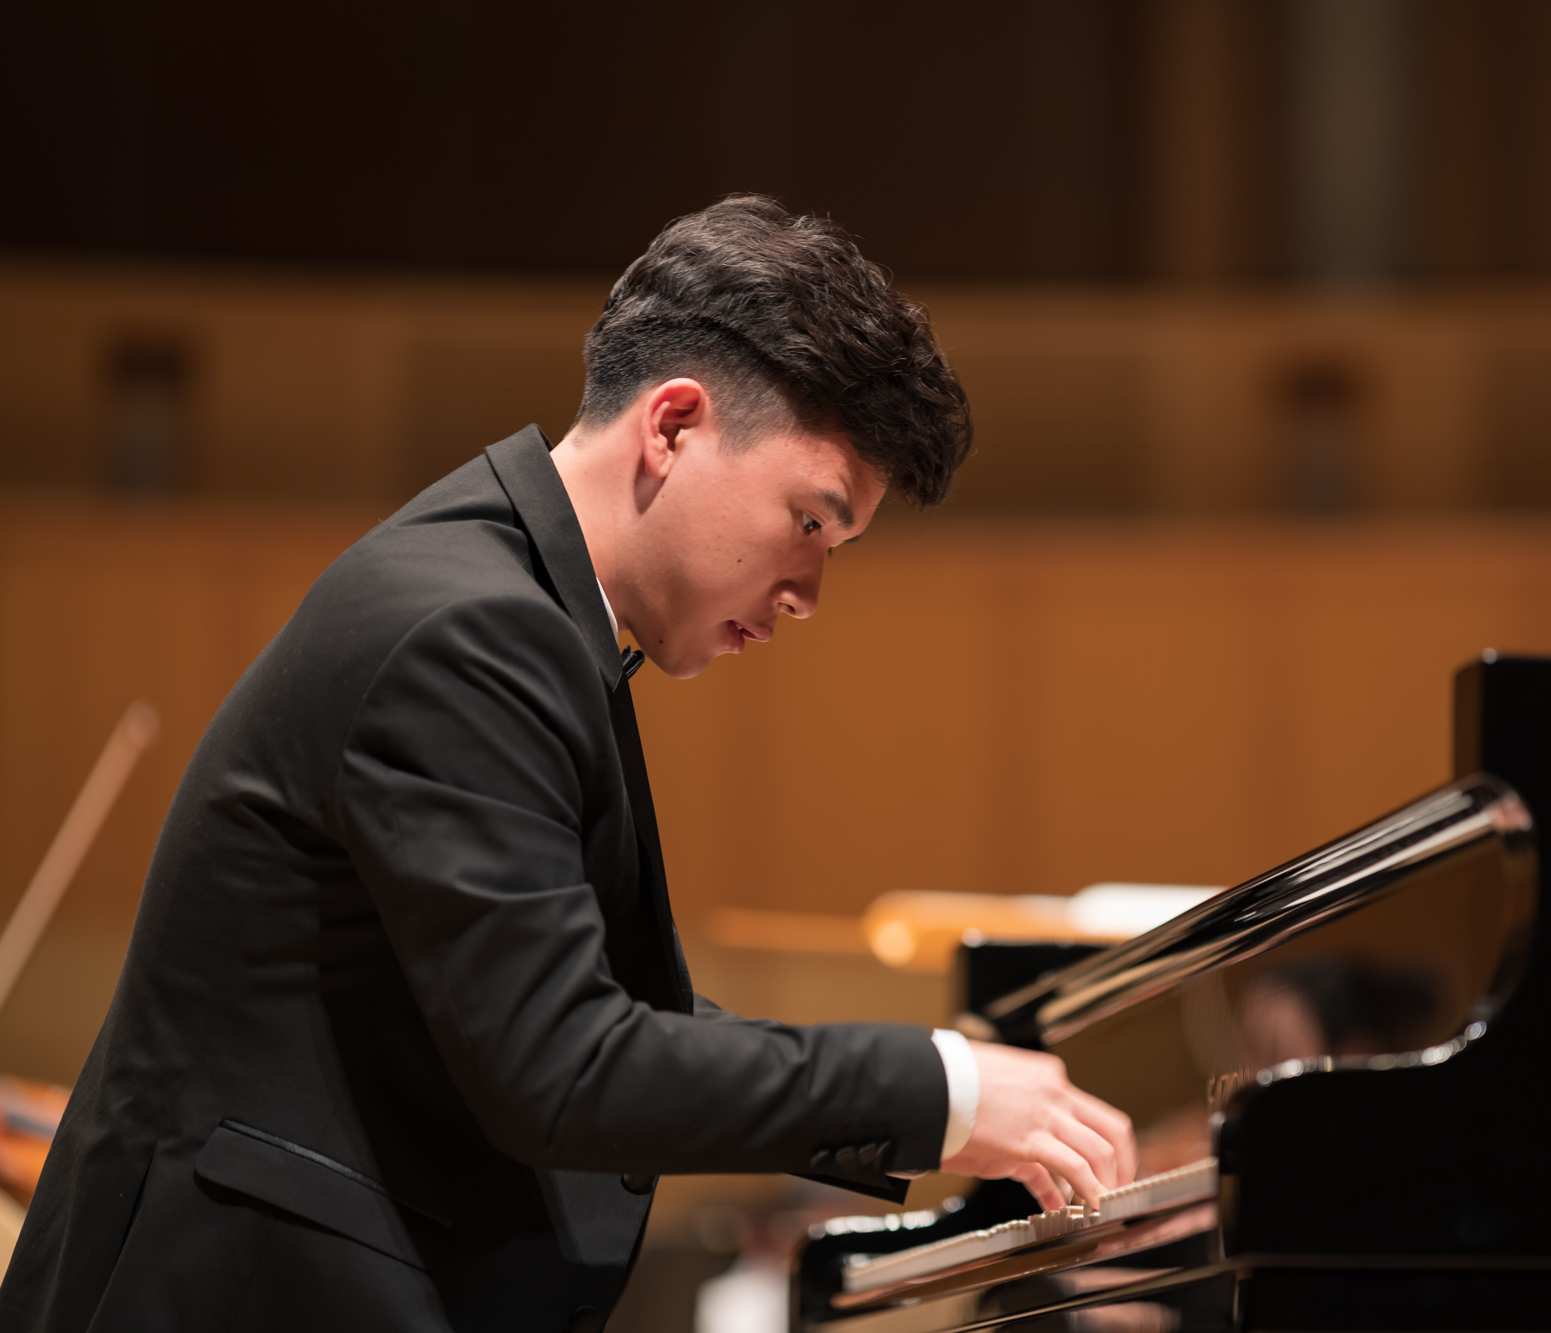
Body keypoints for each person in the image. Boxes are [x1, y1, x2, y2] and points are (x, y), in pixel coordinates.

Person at [0, 196, 1135, 1333]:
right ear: (673, 424)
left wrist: (938, 1107)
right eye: (808, 521)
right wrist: (941, 1089)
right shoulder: (471, 630)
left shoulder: (505, 600)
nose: (808, 594)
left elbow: (607, 1016)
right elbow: (567, 1065)